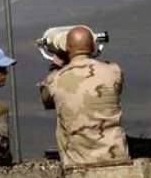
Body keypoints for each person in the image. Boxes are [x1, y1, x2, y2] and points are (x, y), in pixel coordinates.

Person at [39, 25, 129, 167]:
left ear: (67, 47)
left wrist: (56, 66)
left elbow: (47, 101)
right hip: (117, 159)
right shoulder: (114, 72)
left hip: (79, 164)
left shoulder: (55, 80)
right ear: (93, 45)